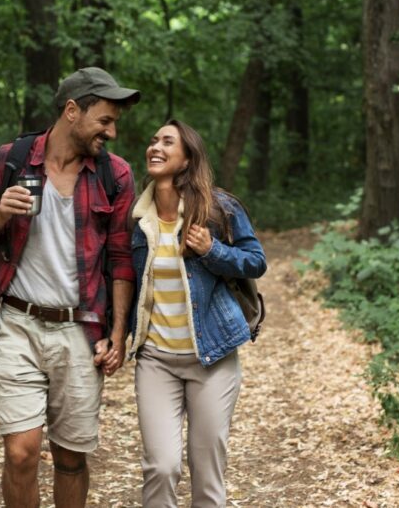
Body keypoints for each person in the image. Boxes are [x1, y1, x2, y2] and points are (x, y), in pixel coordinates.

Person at [0, 67, 140, 508]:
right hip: (16, 324)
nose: (112, 132)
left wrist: (118, 334)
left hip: (81, 331)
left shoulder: (115, 175)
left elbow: (121, 259)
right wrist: (0, 215)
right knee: (21, 454)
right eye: (105, 121)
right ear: (72, 111)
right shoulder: (11, 160)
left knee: (70, 458)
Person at [127, 119, 267, 507]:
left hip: (213, 358)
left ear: (188, 159)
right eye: (153, 140)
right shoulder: (136, 218)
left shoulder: (219, 209)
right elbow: (123, 279)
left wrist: (211, 250)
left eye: (167, 142)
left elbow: (256, 261)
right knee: (161, 467)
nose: (155, 147)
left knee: (207, 473)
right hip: (156, 360)